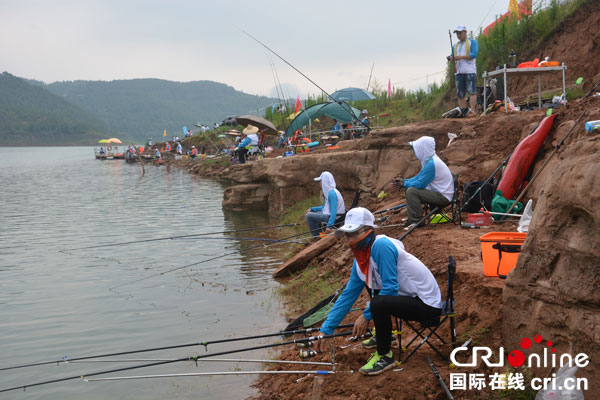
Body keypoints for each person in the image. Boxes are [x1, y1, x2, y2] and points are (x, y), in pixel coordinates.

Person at [316, 207, 442, 375]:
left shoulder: (381, 246)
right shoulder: (360, 261)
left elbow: (390, 288)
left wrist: (366, 316)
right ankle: (385, 334)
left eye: (354, 234)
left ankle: (385, 355)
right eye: (347, 235)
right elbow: (348, 295)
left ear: (369, 231)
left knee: (378, 303)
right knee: (370, 285)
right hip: (407, 299)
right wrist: (326, 329)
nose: (350, 240)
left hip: (427, 304)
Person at [394, 136, 454, 230]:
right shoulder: (429, 161)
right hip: (438, 192)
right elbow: (419, 177)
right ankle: (412, 218)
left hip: (443, 196)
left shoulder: (432, 163)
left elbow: (420, 184)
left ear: (423, 149)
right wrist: (405, 182)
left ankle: (416, 221)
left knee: (412, 191)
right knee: (410, 189)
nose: (415, 151)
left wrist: (405, 184)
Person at [447, 25, 478, 117]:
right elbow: (453, 56)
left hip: (470, 71)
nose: (458, 35)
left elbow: (474, 54)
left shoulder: (472, 42)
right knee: (460, 93)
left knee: (472, 91)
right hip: (459, 72)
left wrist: (460, 57)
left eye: (460, 33)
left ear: (465, 32)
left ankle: (472, 111)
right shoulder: (455, 46)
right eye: (457, 33)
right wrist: (451, 58)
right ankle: (463, 111)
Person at [305, 171, 346, 238]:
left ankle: (315, 236)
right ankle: (320, 234)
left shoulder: (332, 194)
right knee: (312, 212)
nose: (319, 183)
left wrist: (329, 226)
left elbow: (333, 212)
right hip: (332, 215)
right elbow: (323, 207)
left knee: (309, 216)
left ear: (324, 181)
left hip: (336, 218)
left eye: (320, 181)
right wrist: (312, 209)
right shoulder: (331, 191)